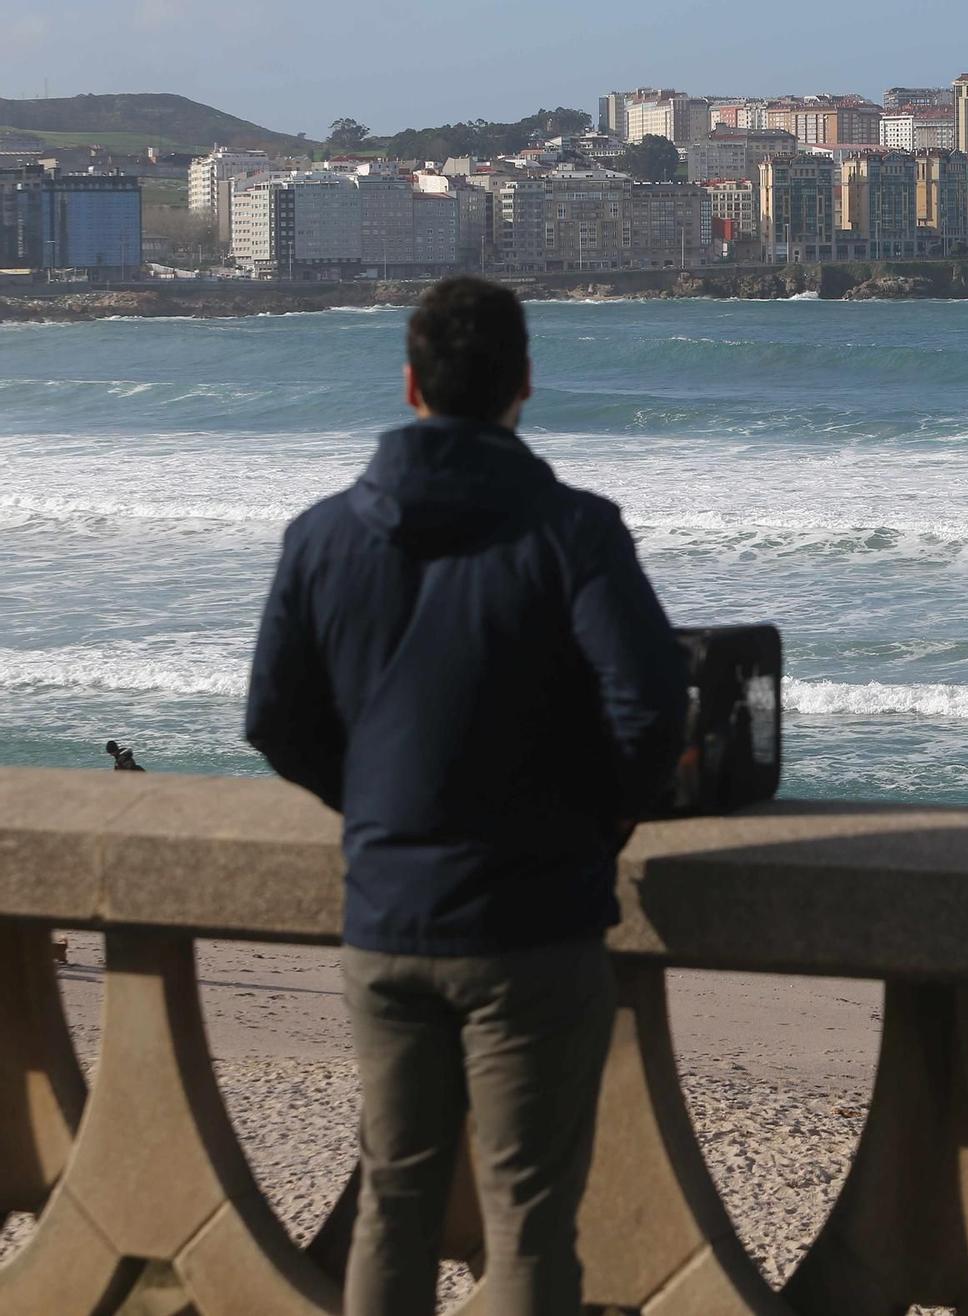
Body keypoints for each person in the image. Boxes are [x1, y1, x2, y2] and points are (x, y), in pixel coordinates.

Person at [245, 276, 688, 1316]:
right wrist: (597, 816)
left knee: (393, 1201)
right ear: (523, 384)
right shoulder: (573, 531)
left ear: (409, 386)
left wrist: (376, 803)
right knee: (527, 1213)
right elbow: (652, 706)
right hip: (530, 921)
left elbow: (274, 716)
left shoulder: (320, 536)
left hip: (386, 913)